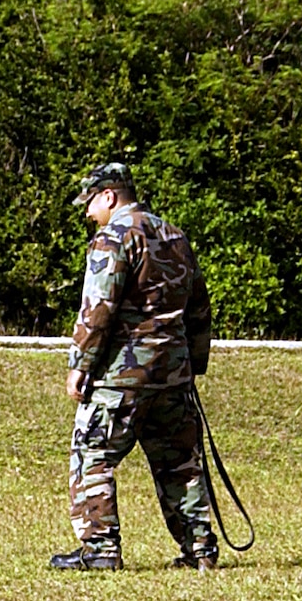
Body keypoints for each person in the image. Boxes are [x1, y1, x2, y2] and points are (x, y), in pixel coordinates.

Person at [50, 162, 219, 572]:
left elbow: (98, 310)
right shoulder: (175, 236)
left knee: (92, 453)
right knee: (179, 461)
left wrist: (80, 364)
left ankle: (101, 549)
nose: (88, 213)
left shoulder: (113, 238)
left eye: (90, 203)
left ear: (108, 196)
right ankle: (199, 550)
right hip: (173, 373)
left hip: (122, 374)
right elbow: (199, 306)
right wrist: (194, 362)